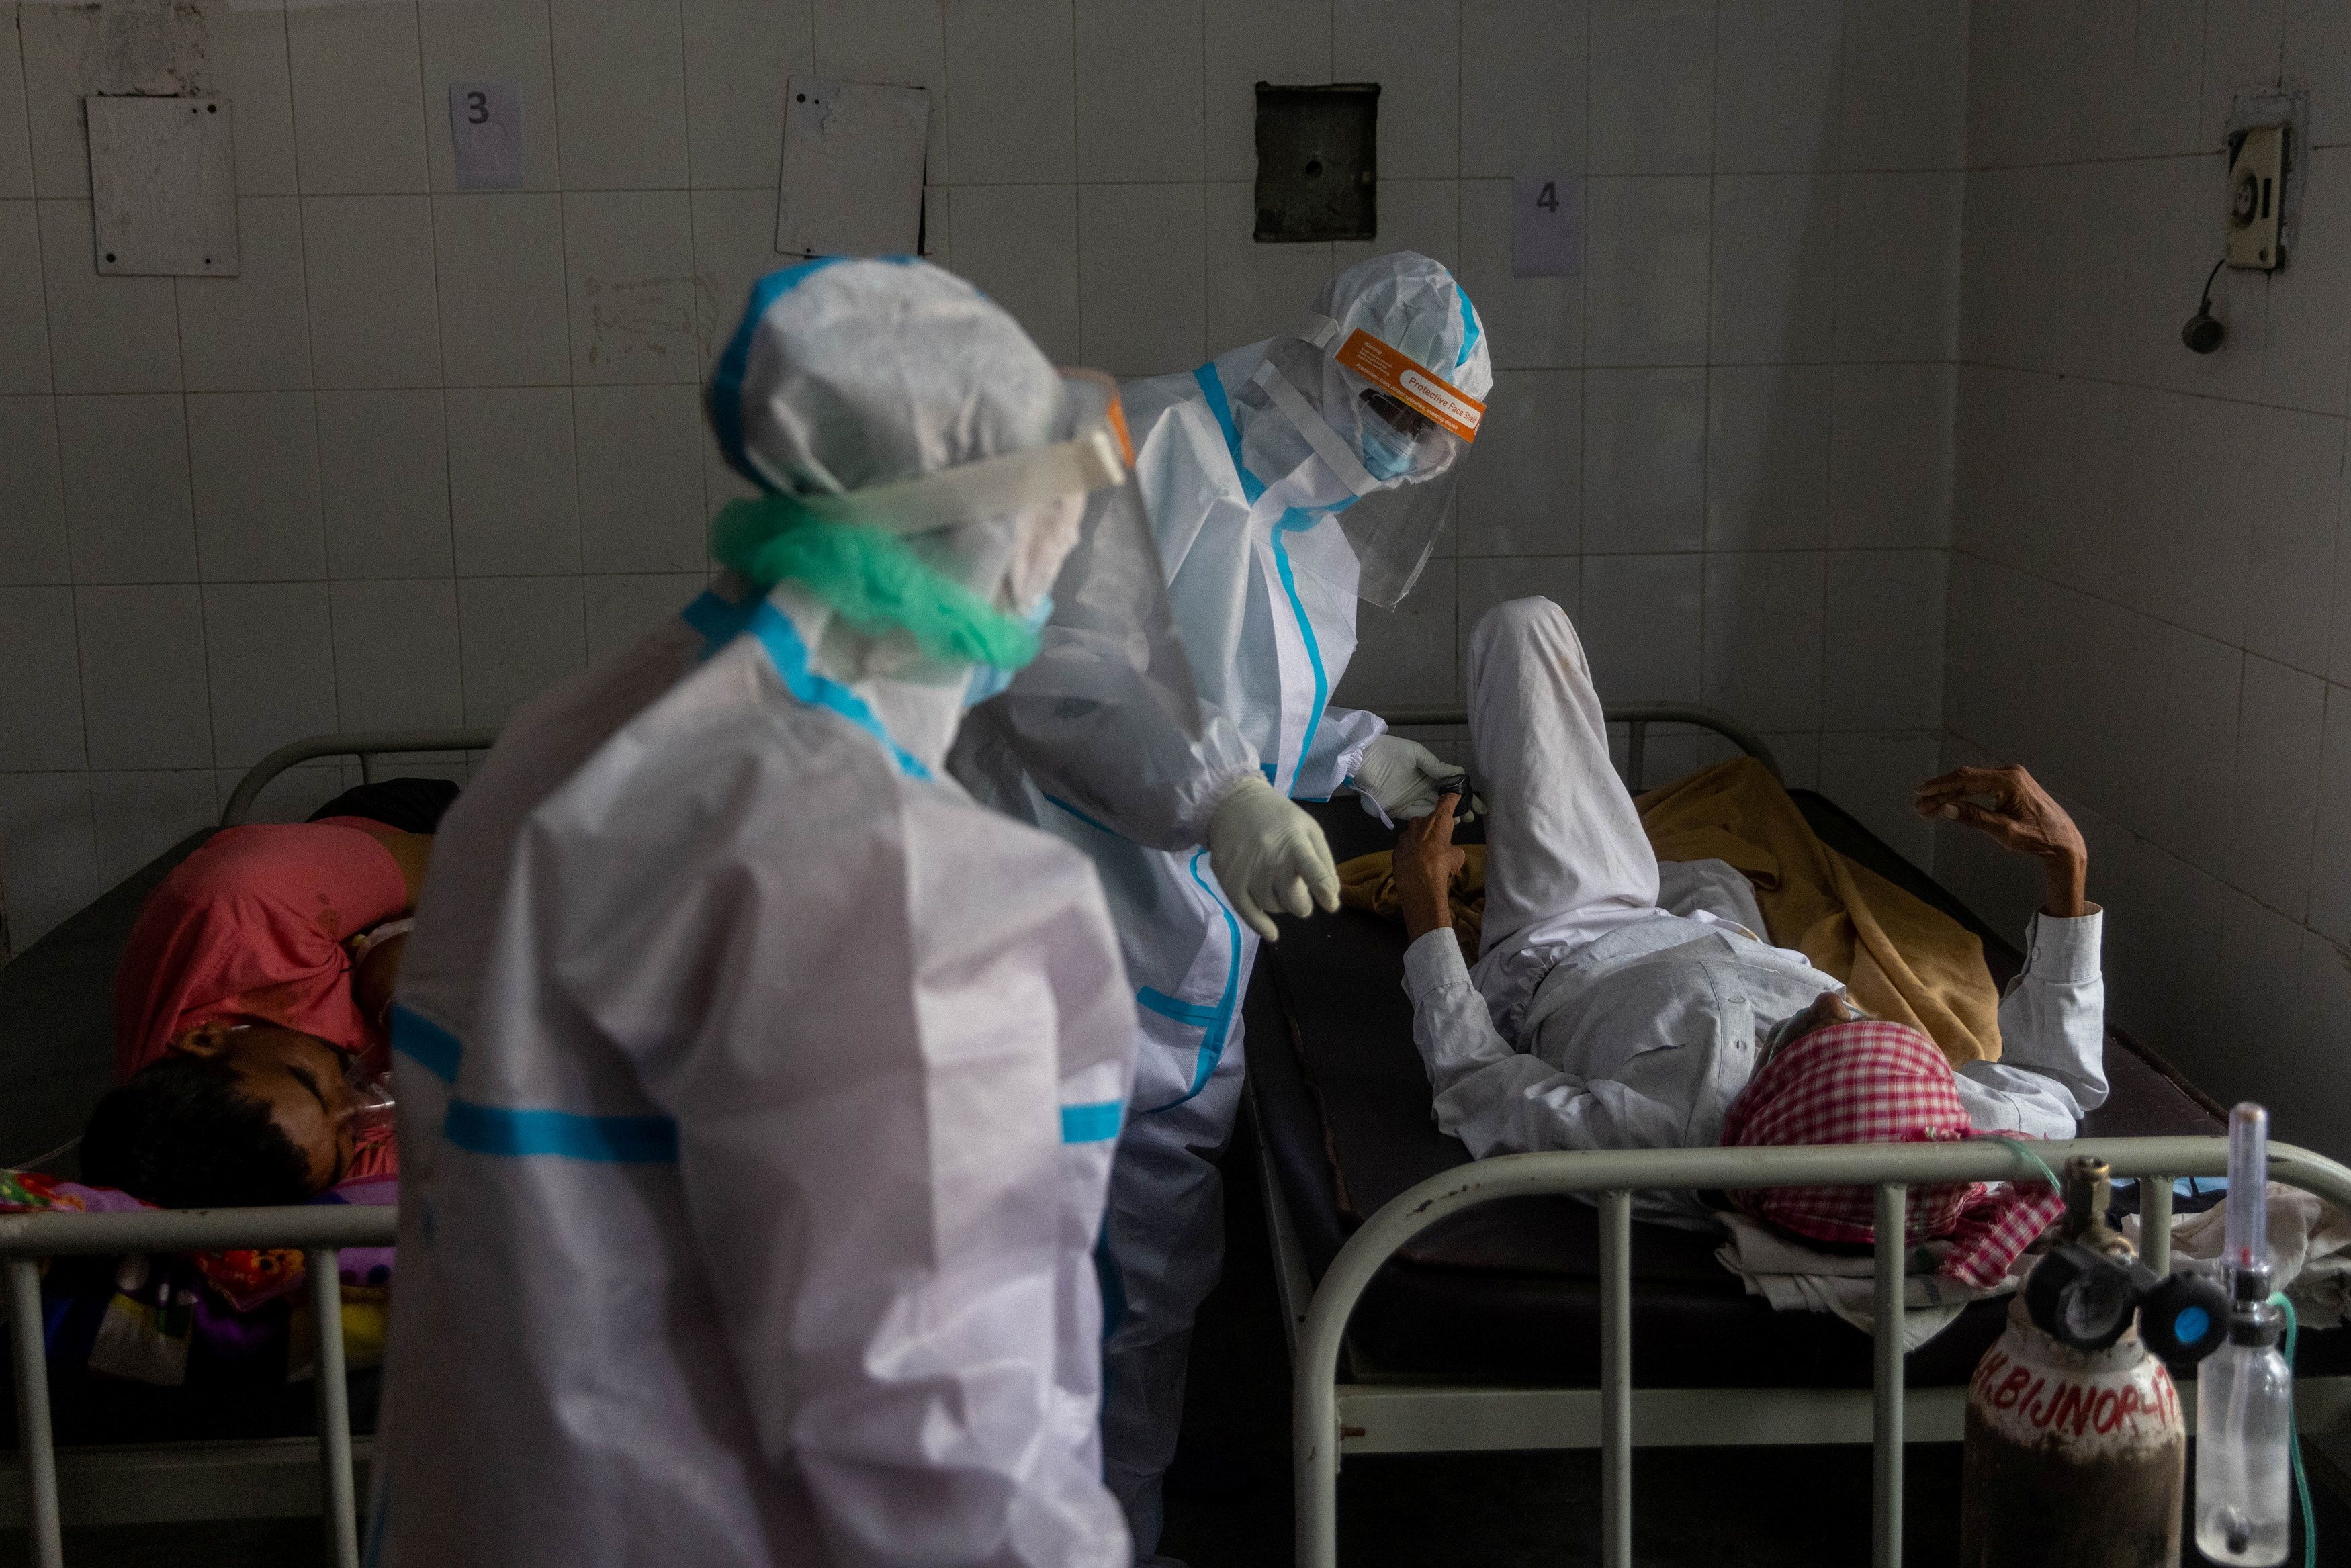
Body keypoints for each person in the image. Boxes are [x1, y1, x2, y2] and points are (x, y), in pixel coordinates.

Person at [367, 258, 1197, 1566]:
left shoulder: (571, 745)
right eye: (1054, 518)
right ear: (971, 525)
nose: (1060, 560)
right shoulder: (877, 869)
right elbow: (945, 1444)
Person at [952, 250, 1493, 1557]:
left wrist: (1351, 755)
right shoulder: (1150, 451)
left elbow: (1250, 704)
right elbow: (1065, 678)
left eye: (1428, 440)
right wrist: (1221, 796)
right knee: (1037, 1279)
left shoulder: (1308, 521)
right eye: (1396, 416)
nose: (1402, 456)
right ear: (1331, 361)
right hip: (1062, 933)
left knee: (1150, 1275)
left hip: (1179, 952)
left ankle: (1118, 1513)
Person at [1387, 597, 2107, 1222]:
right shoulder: (1930, 1137)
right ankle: (1647, 854)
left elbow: (1475, 1083)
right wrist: (2066, 868)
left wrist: (1428, 913)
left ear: (1774, 1106)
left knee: (1525, 627)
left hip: (1575, 935)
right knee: (1717, 864)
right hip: (1728, 929)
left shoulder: (1661, 1139)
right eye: (1862, 1025)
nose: (1836, 1002)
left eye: (1820, 1041)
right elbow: (2059, 1095)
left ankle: (1595, 848)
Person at [77, 779, 449, 1208]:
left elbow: (477, 862)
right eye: (346, 1140)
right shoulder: (298, 1160)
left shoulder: (244, 909)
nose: (356, 1105)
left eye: (309, 1080)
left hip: (409, 839)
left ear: (206, 1038)